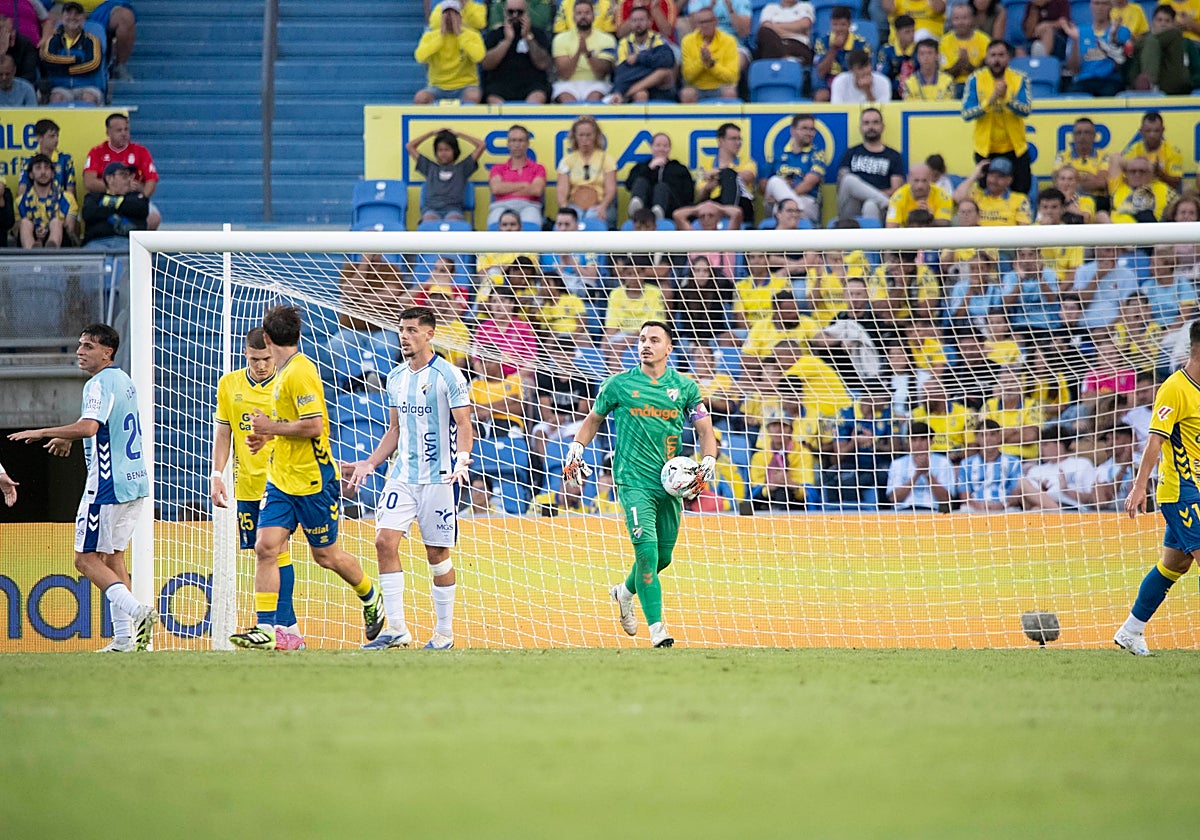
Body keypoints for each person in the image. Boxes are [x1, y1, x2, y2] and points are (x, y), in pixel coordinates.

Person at [228, 305, 385, 650]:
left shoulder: (300, 373)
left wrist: (270, 427)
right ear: (298, 335)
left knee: (326, 557)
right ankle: (266, 628)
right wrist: (268, 435)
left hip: (313, 481)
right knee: (266, 547)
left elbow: (314, 426)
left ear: (267, 338)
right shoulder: (284, 372)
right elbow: (291, 423)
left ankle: (370, 595)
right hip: (281, 479)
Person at [564, 320, 718, 648]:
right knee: (646, 553)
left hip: (671, 484)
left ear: (669, 348)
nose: (646, 344)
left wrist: (708, 461)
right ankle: (658, 629)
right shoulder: (618, 385)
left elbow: (705, 430)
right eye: (642, 339)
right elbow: (593, 420)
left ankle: (624, 592)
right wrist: (576, 448)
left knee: (663, 557)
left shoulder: (686, 388)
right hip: (632, 481)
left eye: (654, 340)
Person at [8, 324, 156, 652]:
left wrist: (43, 431)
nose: (80, 351)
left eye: (88, 346)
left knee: (85, 560)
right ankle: (123, 640)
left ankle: (139, 612)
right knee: (113, 559)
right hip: (134, 482)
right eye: (79, 345)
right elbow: (106, 427)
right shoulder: (123, 380)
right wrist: (68, 437)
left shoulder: (97, 384)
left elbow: (89, 427)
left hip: (106, 486)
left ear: (107, 352)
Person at [346, 307, 473, 651]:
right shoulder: (395, 377)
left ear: (429, 334)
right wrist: (371, 463)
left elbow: (464, 424)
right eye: (401, 329)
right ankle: (397, 629)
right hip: (402, 475)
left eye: (412, 330)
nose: (404, 336)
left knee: (437, 554)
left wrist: (463, 459)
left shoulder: (449, 375)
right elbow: (395, 429)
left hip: (440, 478)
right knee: (383, 542)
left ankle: (444, 633)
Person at [210, 328, 305, 651]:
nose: (262, 365)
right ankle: (288, 630)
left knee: (276, 550)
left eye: (266, 358)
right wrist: (216, 474)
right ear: (245, 355)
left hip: (282, 482)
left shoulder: (287, 383)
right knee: (265, 554)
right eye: (255, 360)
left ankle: (281, 628)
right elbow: (224, 433)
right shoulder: (229, 384)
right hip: (247, 485)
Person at [961, 39, 1033, 195]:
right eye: (993, 55)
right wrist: (991, 100)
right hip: (985, 150)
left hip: (1015, 149)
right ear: (986, 58)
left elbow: (1026, 110)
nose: (997, 60)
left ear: (1008, 58)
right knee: (984, 195)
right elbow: (966, 114)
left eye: (1001, 55)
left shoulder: (1020, 78)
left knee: (1021, 193)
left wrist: (1006, 99)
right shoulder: (975, 79)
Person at [84, 113, 160, 229]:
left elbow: (151, 181)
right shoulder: (96, 152)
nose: (124, 133)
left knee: (154, 218)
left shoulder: (141, 151)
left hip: (132, 198)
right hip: (105, 198)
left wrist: (142, 197)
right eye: (119, 130)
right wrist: (118, 188)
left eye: (126, 129)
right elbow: (89, 182)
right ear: (108, 132)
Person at [836, 108, 905, 222]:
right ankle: (885, 202)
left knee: (870, 205)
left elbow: (896, 190)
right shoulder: (851, 153)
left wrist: (870, 196)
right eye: (866, 123)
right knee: (848, 179)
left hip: (878, 209)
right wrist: (864, 193)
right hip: (852, 206)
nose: (871, 127)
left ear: (882, 127)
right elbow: (842, 186)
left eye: (875, 122)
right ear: (861, 128)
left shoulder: (893, 156)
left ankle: (872, 233)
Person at [405, 127, 485, 222]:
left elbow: (481, 145)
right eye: (440, 150)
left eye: (447, 150)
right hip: (431, 210)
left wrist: (459, 134)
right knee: (429, 221)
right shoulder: (429, 167)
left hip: (454, 210)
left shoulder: (463, 168)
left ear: (454, 151)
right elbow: (410, 146)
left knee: (453, 221)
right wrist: (431, 133)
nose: (443, 153)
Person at [413, 0, 486, 104]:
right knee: (421, 98)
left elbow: (479, 57)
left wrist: (460, 34)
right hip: (437, 86)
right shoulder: (430, 36)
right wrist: (441, 35)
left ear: (460, 16)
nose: (450, 18)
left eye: (454, 14)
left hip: (466, 85)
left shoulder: (471, 35)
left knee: (473, 96)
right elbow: (420, 57)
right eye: (446, 15)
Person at [481, 0, 553, 104]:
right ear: (505, 13)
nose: (515, 15)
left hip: (532, 85)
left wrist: (528, 38)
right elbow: (487, 64)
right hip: (500, 85)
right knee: (493, 100)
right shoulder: (495, 35)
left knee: (538, 97)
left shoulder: (538, 34)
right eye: (511, 12)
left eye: (520, 12)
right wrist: (507, 41)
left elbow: (543, 64)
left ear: (526, 13)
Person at [556, 114, 618, 228]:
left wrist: (603, 206)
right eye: (581, 135)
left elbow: (611, 189)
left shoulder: (607, 159)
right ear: (575, 136)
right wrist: (565, 209)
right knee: (571, 220)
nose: (585, 139)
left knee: (591, 218)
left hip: (599, 205)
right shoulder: (566, 161)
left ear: (596, 136)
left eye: (588, 135)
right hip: (575, 205)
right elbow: (562, 190)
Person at [761, 113, 825, 223]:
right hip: (777, 201)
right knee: (775, 181)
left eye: (812, 129)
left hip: (806, 201)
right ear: (793, 131)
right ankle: (790, 208)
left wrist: (785, 200)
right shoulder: (777, 154)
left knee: (779, 208)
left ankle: (791, 208)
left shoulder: (817, 154)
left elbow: (808, 184)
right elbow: (763, 185)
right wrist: (779, 191)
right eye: (804, 128)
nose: (809, 133)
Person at [608, 3, 677, 103]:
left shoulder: (658, 39)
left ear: (649, 22)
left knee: (664, 72)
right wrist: (651, 66)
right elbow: (623, 71)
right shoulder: (623, 44)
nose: (638, 24)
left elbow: (667, 60)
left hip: (658, 86)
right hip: (632, 83)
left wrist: (639, 58)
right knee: (641, 94)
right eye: (634, 20)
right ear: (630, 23)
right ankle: (627, 94)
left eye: (641, 20)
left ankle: (625, 94)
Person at [39, 2, 104, 106]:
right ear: (62, 18)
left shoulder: (92, 40)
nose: (72, 17)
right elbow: (47, 59)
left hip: (88, 86)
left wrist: (64, 69)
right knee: (56, 99)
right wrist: (74, 60)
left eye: (77, 14)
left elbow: (93, 64)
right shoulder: (53, 39)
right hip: (61, 87)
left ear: (83, 19)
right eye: (68, 13)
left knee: (88, 99)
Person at [552, 0, 617, 103]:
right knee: (566, 99)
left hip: (596, 83)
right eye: (579, 13)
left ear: (593, 16)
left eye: (587, 13)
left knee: (594, 97)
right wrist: (578, 52)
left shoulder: (607, 39)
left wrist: (588, 54)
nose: (583, 16)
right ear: (573, 17)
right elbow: (564, 74)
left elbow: (602, 74)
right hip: (567, 84)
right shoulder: (560, 39)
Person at [1064, 0, 1131, 97]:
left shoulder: (1122, 31)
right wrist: (1075, 41)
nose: (1100, 8)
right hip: (1084, 81)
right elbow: (1073, 69)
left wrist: (1113, 39)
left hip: (1110, 81)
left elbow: (1120, 66)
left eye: (1104, 4)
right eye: (1096, 3)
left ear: (1111, 6)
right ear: (1091, 6)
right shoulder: (1079, 31)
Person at [696, 121, 757, 225]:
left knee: (729, 175)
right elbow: (699, 194)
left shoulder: (747, 162)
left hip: (741, 205)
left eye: (739, 139)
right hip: (714, 205)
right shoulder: (706, 165)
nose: (738, 143)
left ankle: (728, 217)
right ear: (721, 141)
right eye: (733, 139)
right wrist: (708, 187)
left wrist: (718, 174)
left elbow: (748, 176)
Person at [886, 421, 955, 512]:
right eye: (914, 440)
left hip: (933, 512)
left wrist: (927, 474)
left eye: (923, 439)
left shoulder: (943, 462)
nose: (918, 444)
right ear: (908, 442)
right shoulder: (897, 464)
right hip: (904, 513)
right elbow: (893, 498)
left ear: (931, 441)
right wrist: (917, 475)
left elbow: (946, 499)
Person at [487, 124, 546, 227]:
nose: (517, 144)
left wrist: (506, 188)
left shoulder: (538, 168)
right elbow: (496, 189)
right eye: (513, 140)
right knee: (494, 224)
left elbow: (536, 190)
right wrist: (525, 185)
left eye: (520, 140)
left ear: (527, 143)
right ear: (508, 144)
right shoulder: (497, 168)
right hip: (501, 206)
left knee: (531, 225)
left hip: (530, 206)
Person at [625, 131, 694, 221]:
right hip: (645, 209)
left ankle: (658, 214)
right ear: (651, 147)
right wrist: (649, 168)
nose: (661, 149)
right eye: (658, 145)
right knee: (640, 181)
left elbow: (689, 195)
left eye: (665, 146)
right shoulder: (641, 166)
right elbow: (629, 184)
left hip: (671, 210)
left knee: (661, 187)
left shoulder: (680, 169)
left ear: (669, 148)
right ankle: (637, 212)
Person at [957, 418, 1023, 511]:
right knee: (964, 509)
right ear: (977, 438)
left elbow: (1016, 492)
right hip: (976, 507)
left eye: (992, 434)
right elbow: (964, 493)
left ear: (999, 437)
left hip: (1005, 508)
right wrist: (977, 506)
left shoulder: (1013, 462)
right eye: (983, 435)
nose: (988, 439)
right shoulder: (966, 464)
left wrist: (1002, 505)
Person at [1129, 5, 1195, 95]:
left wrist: (1191, 82)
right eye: (1159, 20)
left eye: (1167, 21)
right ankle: (1150, 84)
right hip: (1145, 84)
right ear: (1152, 22)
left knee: (1172, 35)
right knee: (1151, 41)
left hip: (1176, 83)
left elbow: (1197, 70)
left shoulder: (1186, 42)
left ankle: (1150, 83)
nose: (1163, 24)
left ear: (1174, 23)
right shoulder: (1145, 40)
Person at [679, 6, 740, 102]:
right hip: (697, 87)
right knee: (687, 93)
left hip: (720, 86)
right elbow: (687, 77)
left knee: (730, 92)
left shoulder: (729, 41)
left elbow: (732, 78)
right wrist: (702, 62)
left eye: (708, 21)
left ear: (716, 22)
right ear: (696, 24)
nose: (705, 25)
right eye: (701, 22)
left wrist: (711, 64)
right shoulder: (687, 41)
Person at [813, 5, 873, 102]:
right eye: (835, 24)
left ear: (849, 24)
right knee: (821, 96)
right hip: (829, 82)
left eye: (843, 25)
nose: (838, 29)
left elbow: (866, 70)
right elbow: (821, 72)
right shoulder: (822, 42)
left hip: (854, 81)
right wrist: (833, 49)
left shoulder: (862, 44)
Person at [81, 162, 147, 248]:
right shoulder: (93, 197)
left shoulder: (136, 197)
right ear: (109, 179)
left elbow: (139, 209)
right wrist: (121, 207)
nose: (128, 180)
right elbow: (89, 213)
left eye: (130, 176)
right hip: (97, 243)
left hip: (128, 243)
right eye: (124, 175)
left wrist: (105, 205)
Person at [952, 156, 1032, 226]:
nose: (993, 180)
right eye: (991, 175)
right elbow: (957, 198)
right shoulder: (977, 195)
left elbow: (1024, 229)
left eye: (1000, 176)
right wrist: (974, 176)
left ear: (1009, 180)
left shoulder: (1020, 199)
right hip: (979, 238)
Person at [18, 153, 76, 248]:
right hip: (30, 240)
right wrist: (36, 231)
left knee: (56, 222)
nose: (43, 172)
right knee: (25, 223)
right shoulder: (20, 201)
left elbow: (70, 230)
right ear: (31, 175)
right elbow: (16, 231)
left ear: (53, 174)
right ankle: (33, 253)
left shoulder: (68, 198)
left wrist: (48, 230)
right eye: (38, 168)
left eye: (46, 168)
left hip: (61, 244)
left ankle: (50, 250)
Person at [1052, 117, 1109, 212]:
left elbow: (1101, 183)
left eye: (1087, 132)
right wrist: (1088, 178)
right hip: (1068, 199)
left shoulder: (1103, 156)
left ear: (1094, 136)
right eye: (1079, 133)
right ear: (1073, 136)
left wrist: (1073, 180)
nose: (1083, 136)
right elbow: (1056, 181)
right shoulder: (1062, 156)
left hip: (1096, 201)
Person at [1118, 110, 1183, 191]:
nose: (1152, 135)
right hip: (1138, 192)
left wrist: (1160, 174)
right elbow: (1124, 180)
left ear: (1163, 130)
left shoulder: (1173, 151)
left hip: (1164, 193)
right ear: (1141, 131)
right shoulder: (1132, 151)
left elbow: (1176, 184)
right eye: (1148, 131)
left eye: (1156, 131)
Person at [941, 2, 992, 96]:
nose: (961, 22)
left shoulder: (984, 40)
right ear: (951, 20)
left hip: (979, 85)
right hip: (952, 85)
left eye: (964, 18)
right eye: (956, 18)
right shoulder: (944, 42)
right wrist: (959, 64)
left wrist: (969, 66)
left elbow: (988, 72)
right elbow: (943, 75)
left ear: (972, 19)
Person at [1107, 154, 1176, 223]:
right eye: (1133, 171)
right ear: (1127, 174)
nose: (1137, 174)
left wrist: (1149, 166)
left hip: (1148, 227)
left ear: (1150, 174)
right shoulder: (1118, 186)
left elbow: (1178, 209)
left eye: (1142, 171)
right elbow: (1115, 158)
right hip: (1117, 227)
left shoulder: (1163, 189)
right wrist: (1134, 164)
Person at [19, 119, 75, 199]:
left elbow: (70, 193)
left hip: (60, 204)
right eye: (52, 136)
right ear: (39, 138)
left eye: (57, 136)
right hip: (34, 204)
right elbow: (22, 192)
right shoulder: (28, 161)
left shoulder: (65, 160)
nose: (56, 140)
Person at [886, 162, 953, 227]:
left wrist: (929, 217)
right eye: (916, 180)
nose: (920, 186)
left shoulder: (942, 196)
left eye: (924, 180)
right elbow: (891, 226)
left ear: (930, 179)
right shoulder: (898, 197)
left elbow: (945, 223)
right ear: (908, 179)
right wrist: (913, 218)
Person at [874, 14, 916, 100]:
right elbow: (881, 74)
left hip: (914, 92)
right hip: (891, 92)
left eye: (913, 31)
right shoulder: (887, 50)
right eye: (907, 32)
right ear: (897, 33)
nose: (912, 35)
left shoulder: (918, 51)